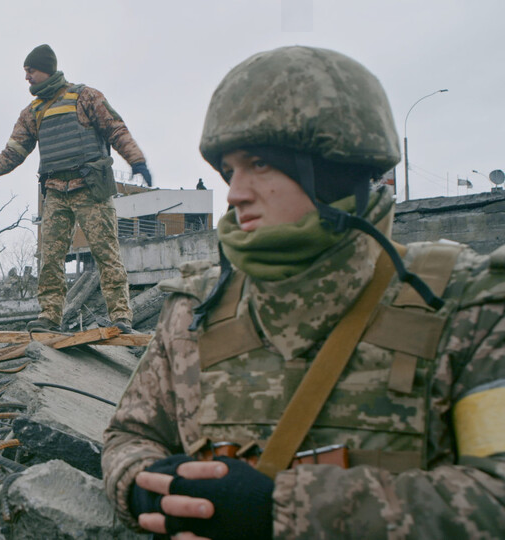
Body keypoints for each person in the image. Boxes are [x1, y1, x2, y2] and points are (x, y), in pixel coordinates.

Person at [102, 46, 505, 539]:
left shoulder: (466, 304)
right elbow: (130, 435)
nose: (234, 192)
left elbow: (496, 498)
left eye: (259, 164)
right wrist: (145, 487)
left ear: (334, 169)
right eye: (230, 170)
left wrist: (284, 512)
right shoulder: (195, 308)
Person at [0, 44, 150, 334]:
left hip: (91, 189)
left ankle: (121, 316)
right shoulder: (33, 112)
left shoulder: (85, 96)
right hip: (56, 192)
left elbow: (116, 129)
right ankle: (49, 316)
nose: (27, 77)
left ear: (46, 69)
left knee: (106, 254)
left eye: (30, 70)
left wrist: (136, 160)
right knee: (50, 259)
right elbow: (11, 155)